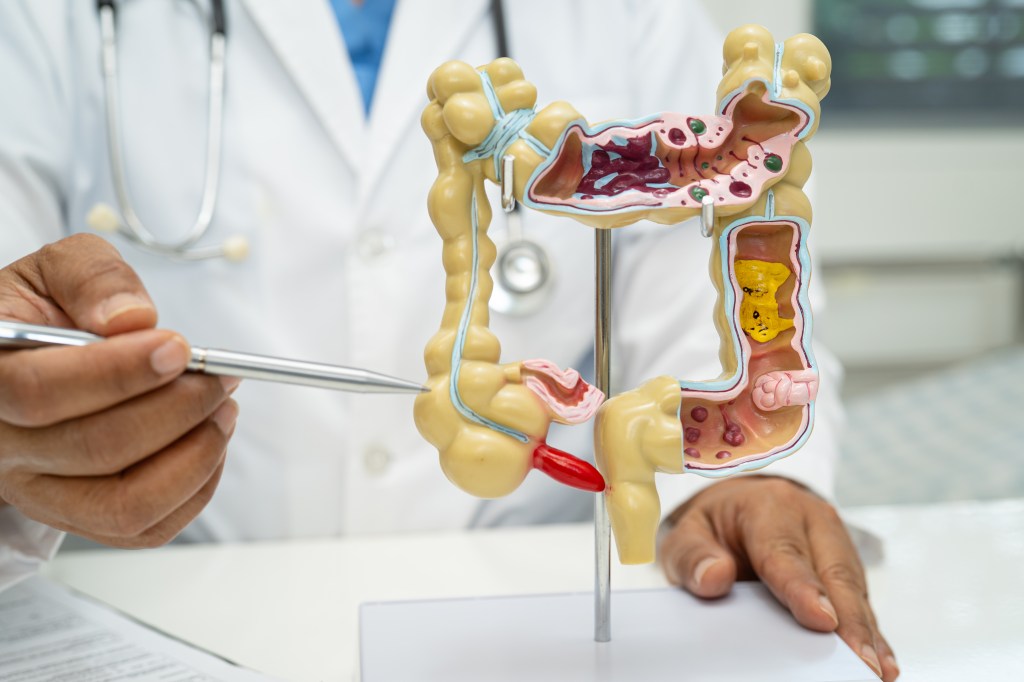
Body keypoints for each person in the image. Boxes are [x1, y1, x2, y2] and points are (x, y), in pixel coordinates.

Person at [0, 1, 897, 679]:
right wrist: (22, 432)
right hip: (181, 613)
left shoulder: (633, 18)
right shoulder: (53, 23)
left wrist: (749, 476)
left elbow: (708, 297)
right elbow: (18, 314)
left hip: (521, 611)